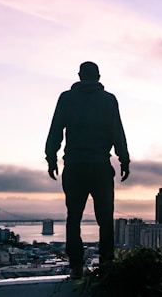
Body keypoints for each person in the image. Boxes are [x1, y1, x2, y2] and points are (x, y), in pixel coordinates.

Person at [45, 61, 129, 279]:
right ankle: (107, 263)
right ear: (98, 77)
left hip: (74, 166)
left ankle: (75, 266)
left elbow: (56, 129)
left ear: (80, 76)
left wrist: (51, 157)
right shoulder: (108, 100)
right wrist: (124, 158)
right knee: (105, 218)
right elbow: (117, 131)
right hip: (100, 166)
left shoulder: (66, 98)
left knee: (73, 217)